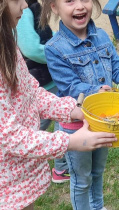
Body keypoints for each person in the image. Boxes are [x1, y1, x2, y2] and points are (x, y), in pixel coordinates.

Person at [39, 0, 119, 209]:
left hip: (105, 122)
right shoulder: (54, 48)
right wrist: (95, 92)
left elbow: (118, 69)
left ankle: (97, 207)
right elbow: (69, 85)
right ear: (54, 7)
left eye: (85, 0)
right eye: (70, 1)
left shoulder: (102, 37)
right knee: (81, 180)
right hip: (76, 130)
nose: (80, 6)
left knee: (97, 172)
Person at [0, 0, 118, 208]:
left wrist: (74, 110)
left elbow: (32, 93)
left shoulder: (8, 44)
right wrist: (69, 142)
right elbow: (7, 136)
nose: (25, 6)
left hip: (20, 180)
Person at [16, 0, 70, 184]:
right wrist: (59, 53)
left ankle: (62, 167)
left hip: (47, 78)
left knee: (61, 120)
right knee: (36, 127)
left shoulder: (33, 5)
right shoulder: (22, 10)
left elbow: (45, 35)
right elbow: (31, 48)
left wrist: (63, 40)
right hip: (40, 82)